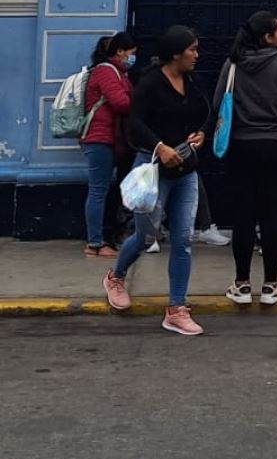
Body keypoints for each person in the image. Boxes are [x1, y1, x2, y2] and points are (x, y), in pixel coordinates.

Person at [104, 25, 211, 336]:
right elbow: (134, 123)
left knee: (183, 240)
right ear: (176, 53)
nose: (196, 55)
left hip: (185, 171)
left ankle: (178, 308)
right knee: (146, 235)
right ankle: (116, 275)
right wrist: (159, 147)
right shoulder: (150, 83)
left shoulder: (192, 81)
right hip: (153, 170)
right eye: (192, 49)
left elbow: (205, 112)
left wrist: (200, 134)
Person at [219, 10, 277, 306]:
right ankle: (271, 284)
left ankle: (242, 283)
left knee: (243, 217)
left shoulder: (232, 66)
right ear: (268, 37)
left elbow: (220, 101)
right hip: (276, 146)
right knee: (272, 216)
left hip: (241, 146)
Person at [80, 32, 136, 258]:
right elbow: (121, 102)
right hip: (99, 138)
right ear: (120, 51)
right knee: (98, 191)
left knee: (104, 190)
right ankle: (94, 243)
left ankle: (107, 237)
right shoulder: (106, 71)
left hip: (111, 138)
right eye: (131, 52)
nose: (133, 56)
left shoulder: (118, 72)